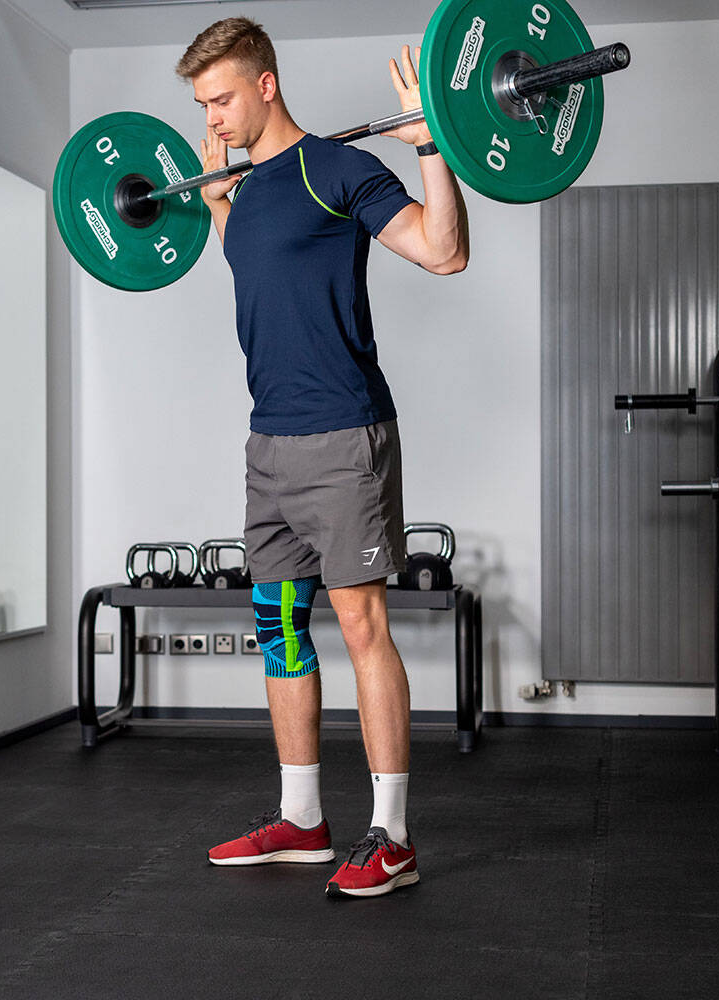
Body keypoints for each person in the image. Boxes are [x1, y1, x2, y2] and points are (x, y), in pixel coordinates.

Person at [175, 17, 469, 898]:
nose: (212, 118)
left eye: (222, 98)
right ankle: (302, 818)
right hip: (269, 442)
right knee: (278, 627)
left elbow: (444, 252)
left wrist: (431, 148)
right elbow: (250, 264)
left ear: (267, 83)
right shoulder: (246, 186)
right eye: (200, 105)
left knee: (361, 628)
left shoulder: (337, 168)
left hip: (344, 437)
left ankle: (394, 837)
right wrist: (217, 200)